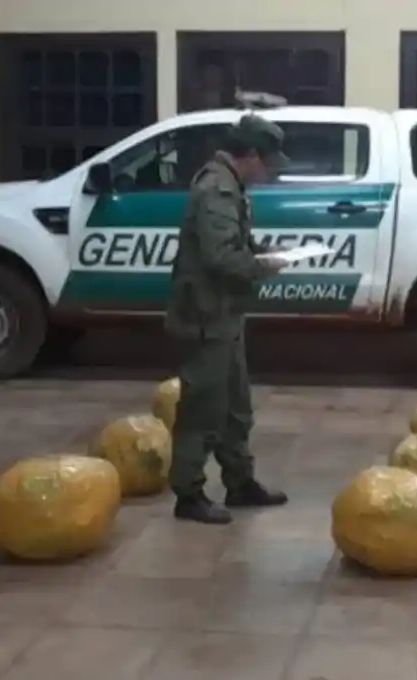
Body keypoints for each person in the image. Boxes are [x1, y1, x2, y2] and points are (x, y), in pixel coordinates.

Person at [164, 113, 291, 524]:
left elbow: (232, 243)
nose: (269, 172)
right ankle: (189, 494)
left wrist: (262, 250)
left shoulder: (230, 185)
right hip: (204, 316)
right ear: (250, 155)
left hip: (224, 314)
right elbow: (221, 258)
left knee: (236, 408)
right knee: (202, 409)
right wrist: (262, 267)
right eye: (267, 162)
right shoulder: (216, 188)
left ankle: (240, 482)